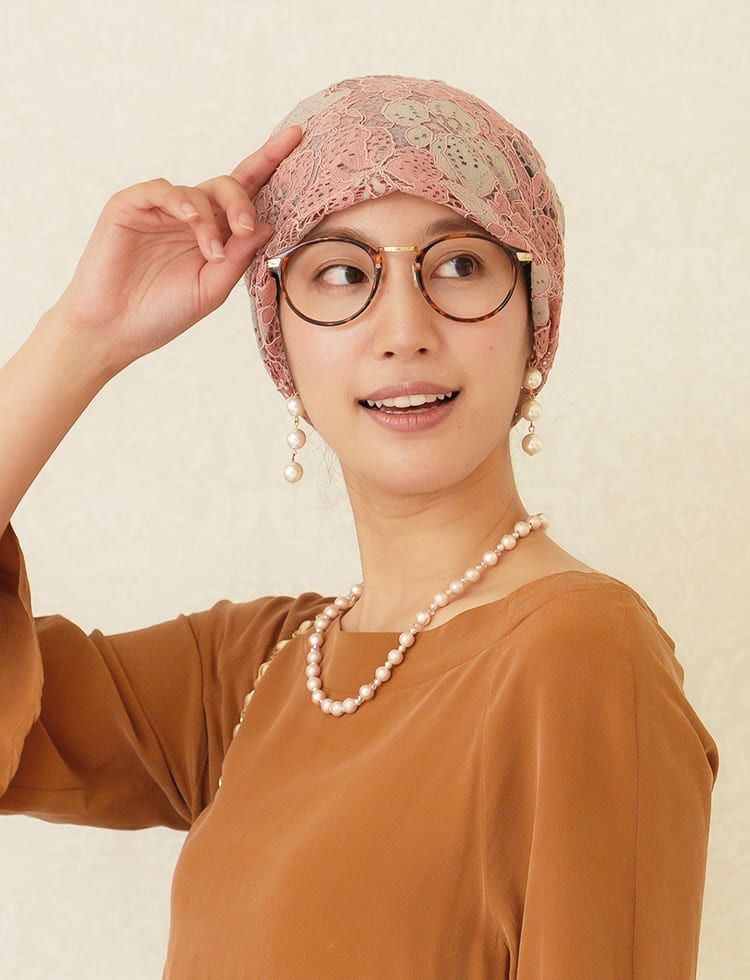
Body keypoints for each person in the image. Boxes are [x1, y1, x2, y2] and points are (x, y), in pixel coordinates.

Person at [0, 74, 719, 979]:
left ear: (535, 315)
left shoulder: (583, 654)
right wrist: (83, 336)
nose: (404, 330)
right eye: (342, 274)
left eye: (460, 264)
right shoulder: (256, 675)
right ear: (282, 344)